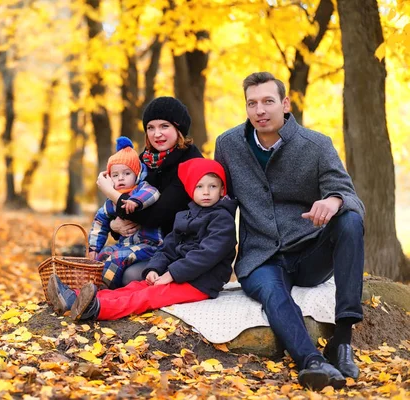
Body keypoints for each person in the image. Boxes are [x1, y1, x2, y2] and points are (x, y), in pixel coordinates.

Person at [214, 72, 365, 390]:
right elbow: (218, 200)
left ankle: (342, 340)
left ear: (284, 104)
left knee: (350, 220)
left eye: (268, 101)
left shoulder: (317, 144)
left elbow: (351, 197)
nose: (260, 111)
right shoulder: (227, 145)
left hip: (309, 252)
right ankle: (311, 361)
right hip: (260, 257)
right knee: (273, 294)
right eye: (252, 103)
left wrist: (335, 200)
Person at [47, 158, 237, 321]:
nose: (205, 192)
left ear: (221, 191)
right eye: (199, 186)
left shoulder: (222, 220)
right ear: (190, 190)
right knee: (135, 287)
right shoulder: (185, 215)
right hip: (178, 274)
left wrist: (172, 274)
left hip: (201, 282)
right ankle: (75, 298)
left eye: (212, 186)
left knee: (148, 296)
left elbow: (206, 255)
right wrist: (155, 268)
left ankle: (96, 309)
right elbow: (168, 247)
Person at [96, 96, 204, 286]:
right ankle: (81, 300)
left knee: (129, 275)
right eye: (151, 128)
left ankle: (101, 304)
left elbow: (156, 216)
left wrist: (110, 192)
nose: (157, 134)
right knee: (99, 263)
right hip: (144, 244)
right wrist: (114, 226)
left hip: (179, 249)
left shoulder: (191, 162)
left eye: (164, 126)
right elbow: (125, 209)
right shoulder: (143, 161)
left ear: (179, 129)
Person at [88, 136, 163, 289]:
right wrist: (93, 248)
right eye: (115, 175)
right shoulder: (110, 202)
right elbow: (99, 222)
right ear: (110, 178)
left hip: (149, 246)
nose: (121, 178)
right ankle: (91, 285)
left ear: (137, 174)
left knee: (117, 258)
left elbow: (153, 193)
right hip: (126, 245)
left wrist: (136, 201)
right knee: (104, 254)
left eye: (127, 173)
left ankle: (104, 288)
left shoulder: (141, 188)